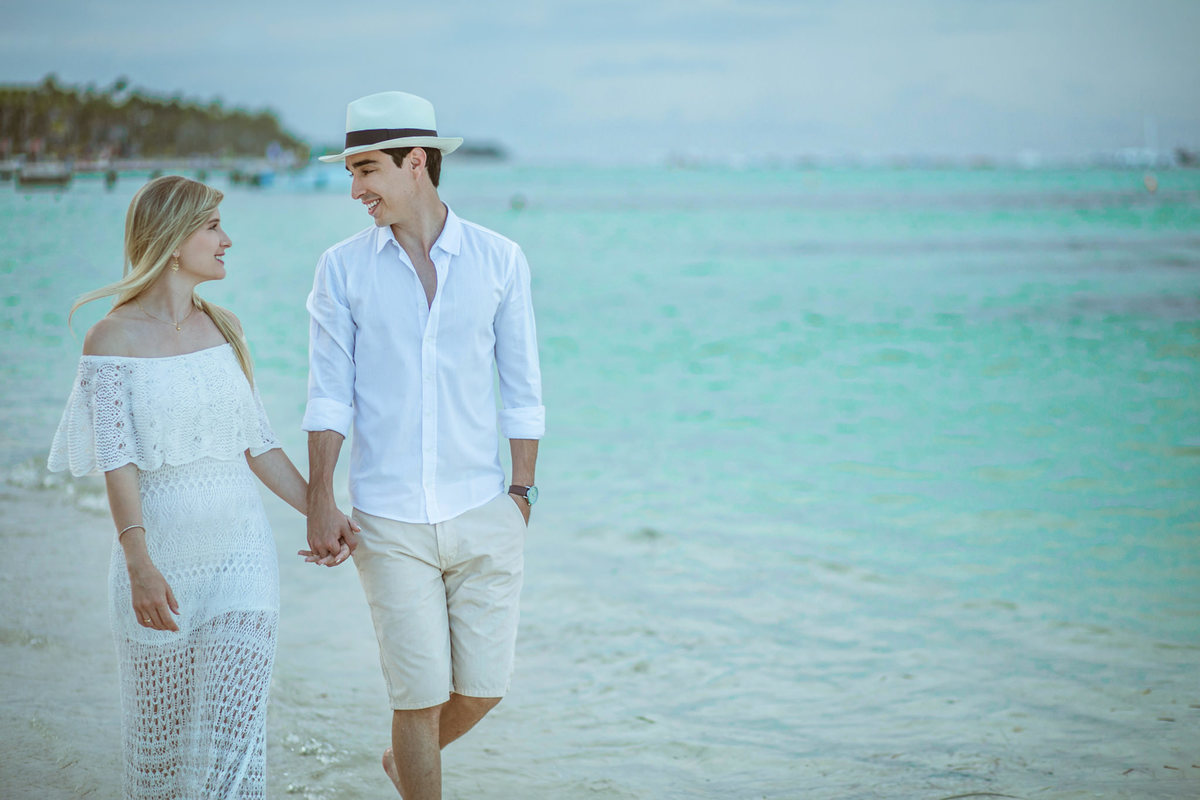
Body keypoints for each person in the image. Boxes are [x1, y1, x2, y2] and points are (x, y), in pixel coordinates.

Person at [47, 175, 353, 799]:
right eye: (213, 226)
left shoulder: (226, 328)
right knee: (157, 757)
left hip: (242, 555)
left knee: (235, 744)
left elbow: (259, 444)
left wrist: (322, 513)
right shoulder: (110, 341)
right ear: (173, 237)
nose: (227, 240)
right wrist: (139, 564)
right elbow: (119, 463)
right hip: (157, 560)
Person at [301, 91, 545, 799]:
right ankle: (418, 772)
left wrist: (521, 496)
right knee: (415, 697)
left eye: (366, 170)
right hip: (389, 518)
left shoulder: (500, 259)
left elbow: (522, 388)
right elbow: (328, 396)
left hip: (484, 511)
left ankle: (404, 765)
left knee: (484, 690)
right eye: (351, 172)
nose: (355, 190)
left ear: (416, 164)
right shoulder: (341, 269)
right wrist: (321, 500)